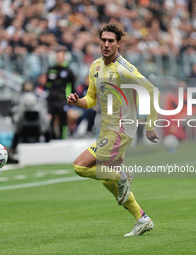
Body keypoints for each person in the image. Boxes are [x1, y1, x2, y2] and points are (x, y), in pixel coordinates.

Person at [67, 23, 160, 236]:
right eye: (103, 40)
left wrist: (150, 125)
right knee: (108, 180)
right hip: (107, 130)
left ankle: (122, 176)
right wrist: (76, 101)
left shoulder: (125, 69)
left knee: (80, 167)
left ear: (119, 44)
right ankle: (142, 218)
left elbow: (152, 91)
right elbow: (91, 100)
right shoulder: (96, 67)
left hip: (122, 130)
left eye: (111, 41)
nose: (106, 44)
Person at [46, 47, 75, 139]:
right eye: (58, 57)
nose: (59, 59)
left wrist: (70, 101)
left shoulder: (68, 71)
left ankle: (62, 139)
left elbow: (72, 87)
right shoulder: (51, 69)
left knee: (63, 122)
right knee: (50, 121)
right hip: (51, 100)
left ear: (64, 58)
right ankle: (51, 139)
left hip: (63, 100)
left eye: (61, 57)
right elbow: (48, 85)